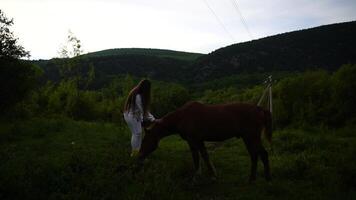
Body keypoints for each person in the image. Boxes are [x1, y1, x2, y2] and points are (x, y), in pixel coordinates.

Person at [123, 79, 155, 157]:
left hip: (134, 115)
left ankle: (138, 151)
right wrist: (153, 119)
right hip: (130, 116)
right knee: (136, 133)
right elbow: (143, 111)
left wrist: (152, 118)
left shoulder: (138, 93)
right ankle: (134, 153)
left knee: (139, 133)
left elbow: (143, 111)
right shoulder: (137, 96)